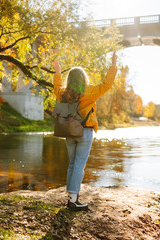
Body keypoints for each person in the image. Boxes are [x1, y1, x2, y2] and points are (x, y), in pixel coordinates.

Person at [53, 51, 118, 211]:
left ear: (70, 79)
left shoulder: (64, 93)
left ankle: (71, 198)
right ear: (83, 79)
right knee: (79, 166)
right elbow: (106, 85)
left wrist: (57, 72)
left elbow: (57, 88)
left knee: (72, 165)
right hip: (85, 132)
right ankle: (73, 201)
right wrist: (113, 65)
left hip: (69, 132)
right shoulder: (89, 91)